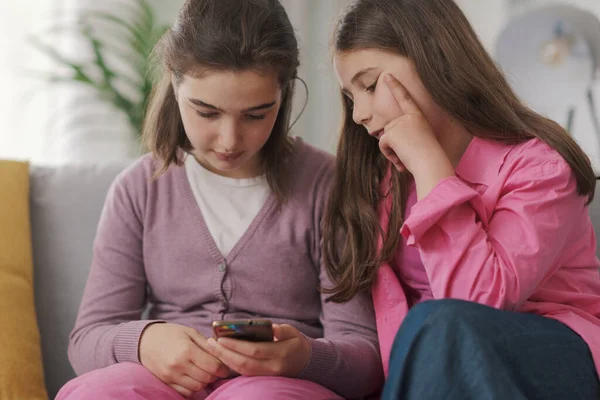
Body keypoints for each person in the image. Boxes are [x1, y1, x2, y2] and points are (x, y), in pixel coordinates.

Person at [55, 0, 384, 399]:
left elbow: (368, 361)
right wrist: (143, 342)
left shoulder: (327, 186)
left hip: (279, 387)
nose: (229, 141)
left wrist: (304, 358)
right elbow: (87, 339)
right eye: (206, 112)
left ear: (285, 95)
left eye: (256, 115)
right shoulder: (139, 189)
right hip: (158, 381)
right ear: (175, 85)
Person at [322, 0, 600, 399]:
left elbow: (479, 304)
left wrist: (430, 166)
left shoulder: (540, 166)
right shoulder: (381, 178)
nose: (359, 114)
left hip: (552, 357)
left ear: (435, 58)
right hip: (437, 369)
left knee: (441, 322)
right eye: (350, 96)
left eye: (369, 85)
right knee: (432, 327)